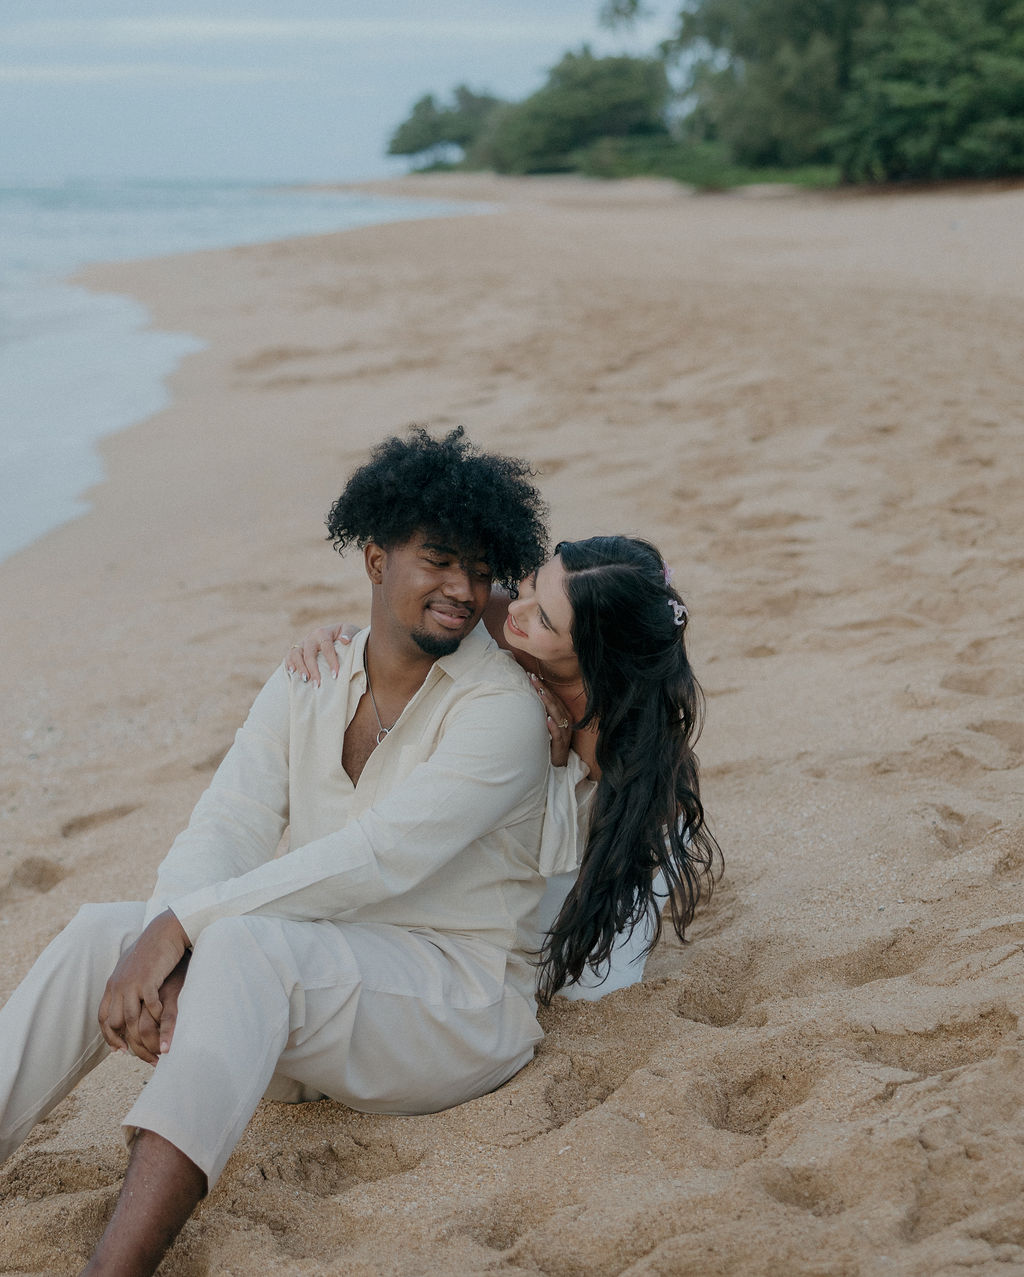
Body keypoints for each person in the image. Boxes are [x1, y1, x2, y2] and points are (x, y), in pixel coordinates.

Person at [0, 427, 553, 1277]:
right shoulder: (311, 673)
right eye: (438, 561)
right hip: (326, 978)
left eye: (478, 571)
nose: (461, 587)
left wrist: (186, 926)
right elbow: (229, 820)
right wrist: (163, 938)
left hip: (455, 1004)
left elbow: (377, 859)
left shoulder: (500, 710)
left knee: (243, 940)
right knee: (97, 935)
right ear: (375, 560)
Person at [287, 533, 721, 1005]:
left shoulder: (620, 731)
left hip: (614, 835)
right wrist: (341, 635)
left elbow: (599, 843)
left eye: (543, 619)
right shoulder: (496, 614)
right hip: (527, 819)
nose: (517, 610)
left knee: (586, 989)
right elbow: (401, 636)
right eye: (529, 587)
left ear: (592, 651)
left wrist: (559, 770)